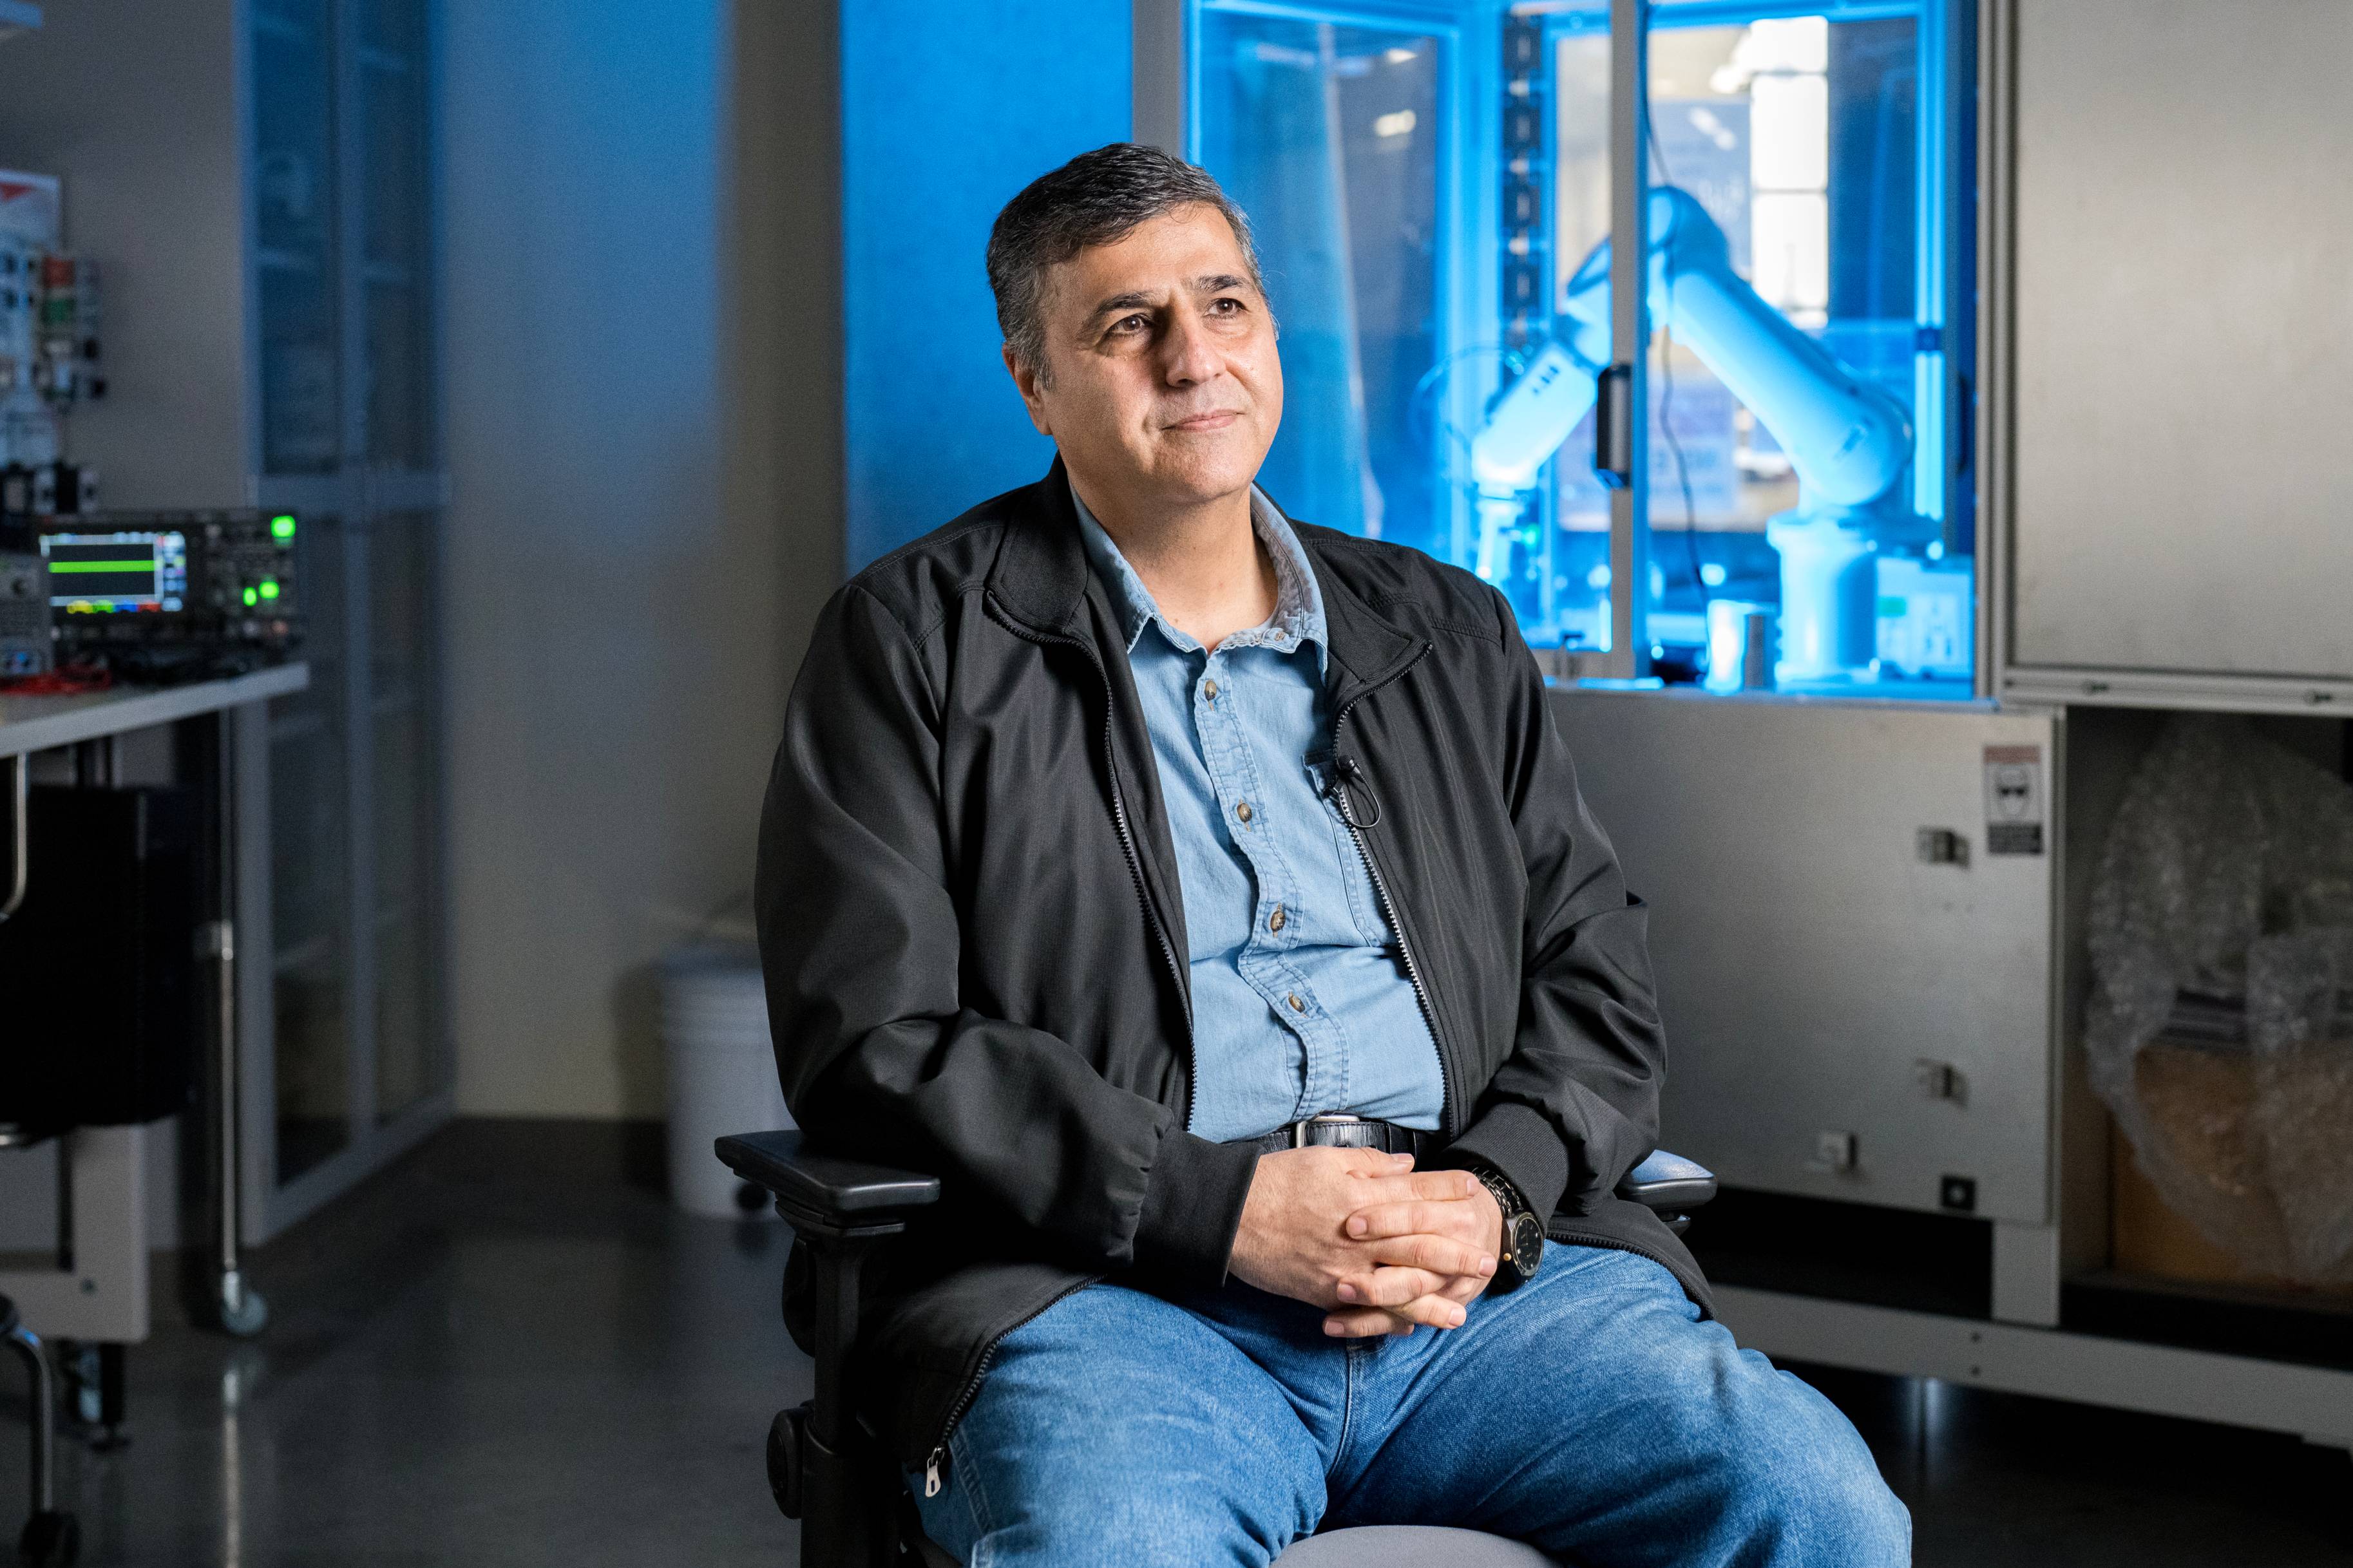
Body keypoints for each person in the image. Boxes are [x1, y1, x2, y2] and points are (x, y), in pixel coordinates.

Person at [755, 142, 1908, 1567]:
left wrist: (1492, 1194)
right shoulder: (915, 641)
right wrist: (1216, 1210)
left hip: (1482, 1294)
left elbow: (1594, 978)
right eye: (1130, 325)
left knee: (1822, 1512)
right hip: (1112, 1301)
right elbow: (872, 1039)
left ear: (1270, 336)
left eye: (1224, 305)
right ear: (1034, 383)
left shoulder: (1446, 631)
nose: (1194, 358)